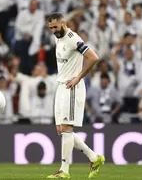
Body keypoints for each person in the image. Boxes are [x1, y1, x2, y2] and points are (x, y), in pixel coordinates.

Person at [46, 13, 105, 179]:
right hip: (61, 85)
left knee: (67, 128)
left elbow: (94, 58)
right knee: (61, 130)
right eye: (50, 28)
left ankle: (64, 171)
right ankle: (94, 157)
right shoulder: (58, 38)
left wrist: (78, 77)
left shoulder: (73, 39)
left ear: (64, 23)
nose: (53, 30)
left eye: (56, 27)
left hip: (72, 87)